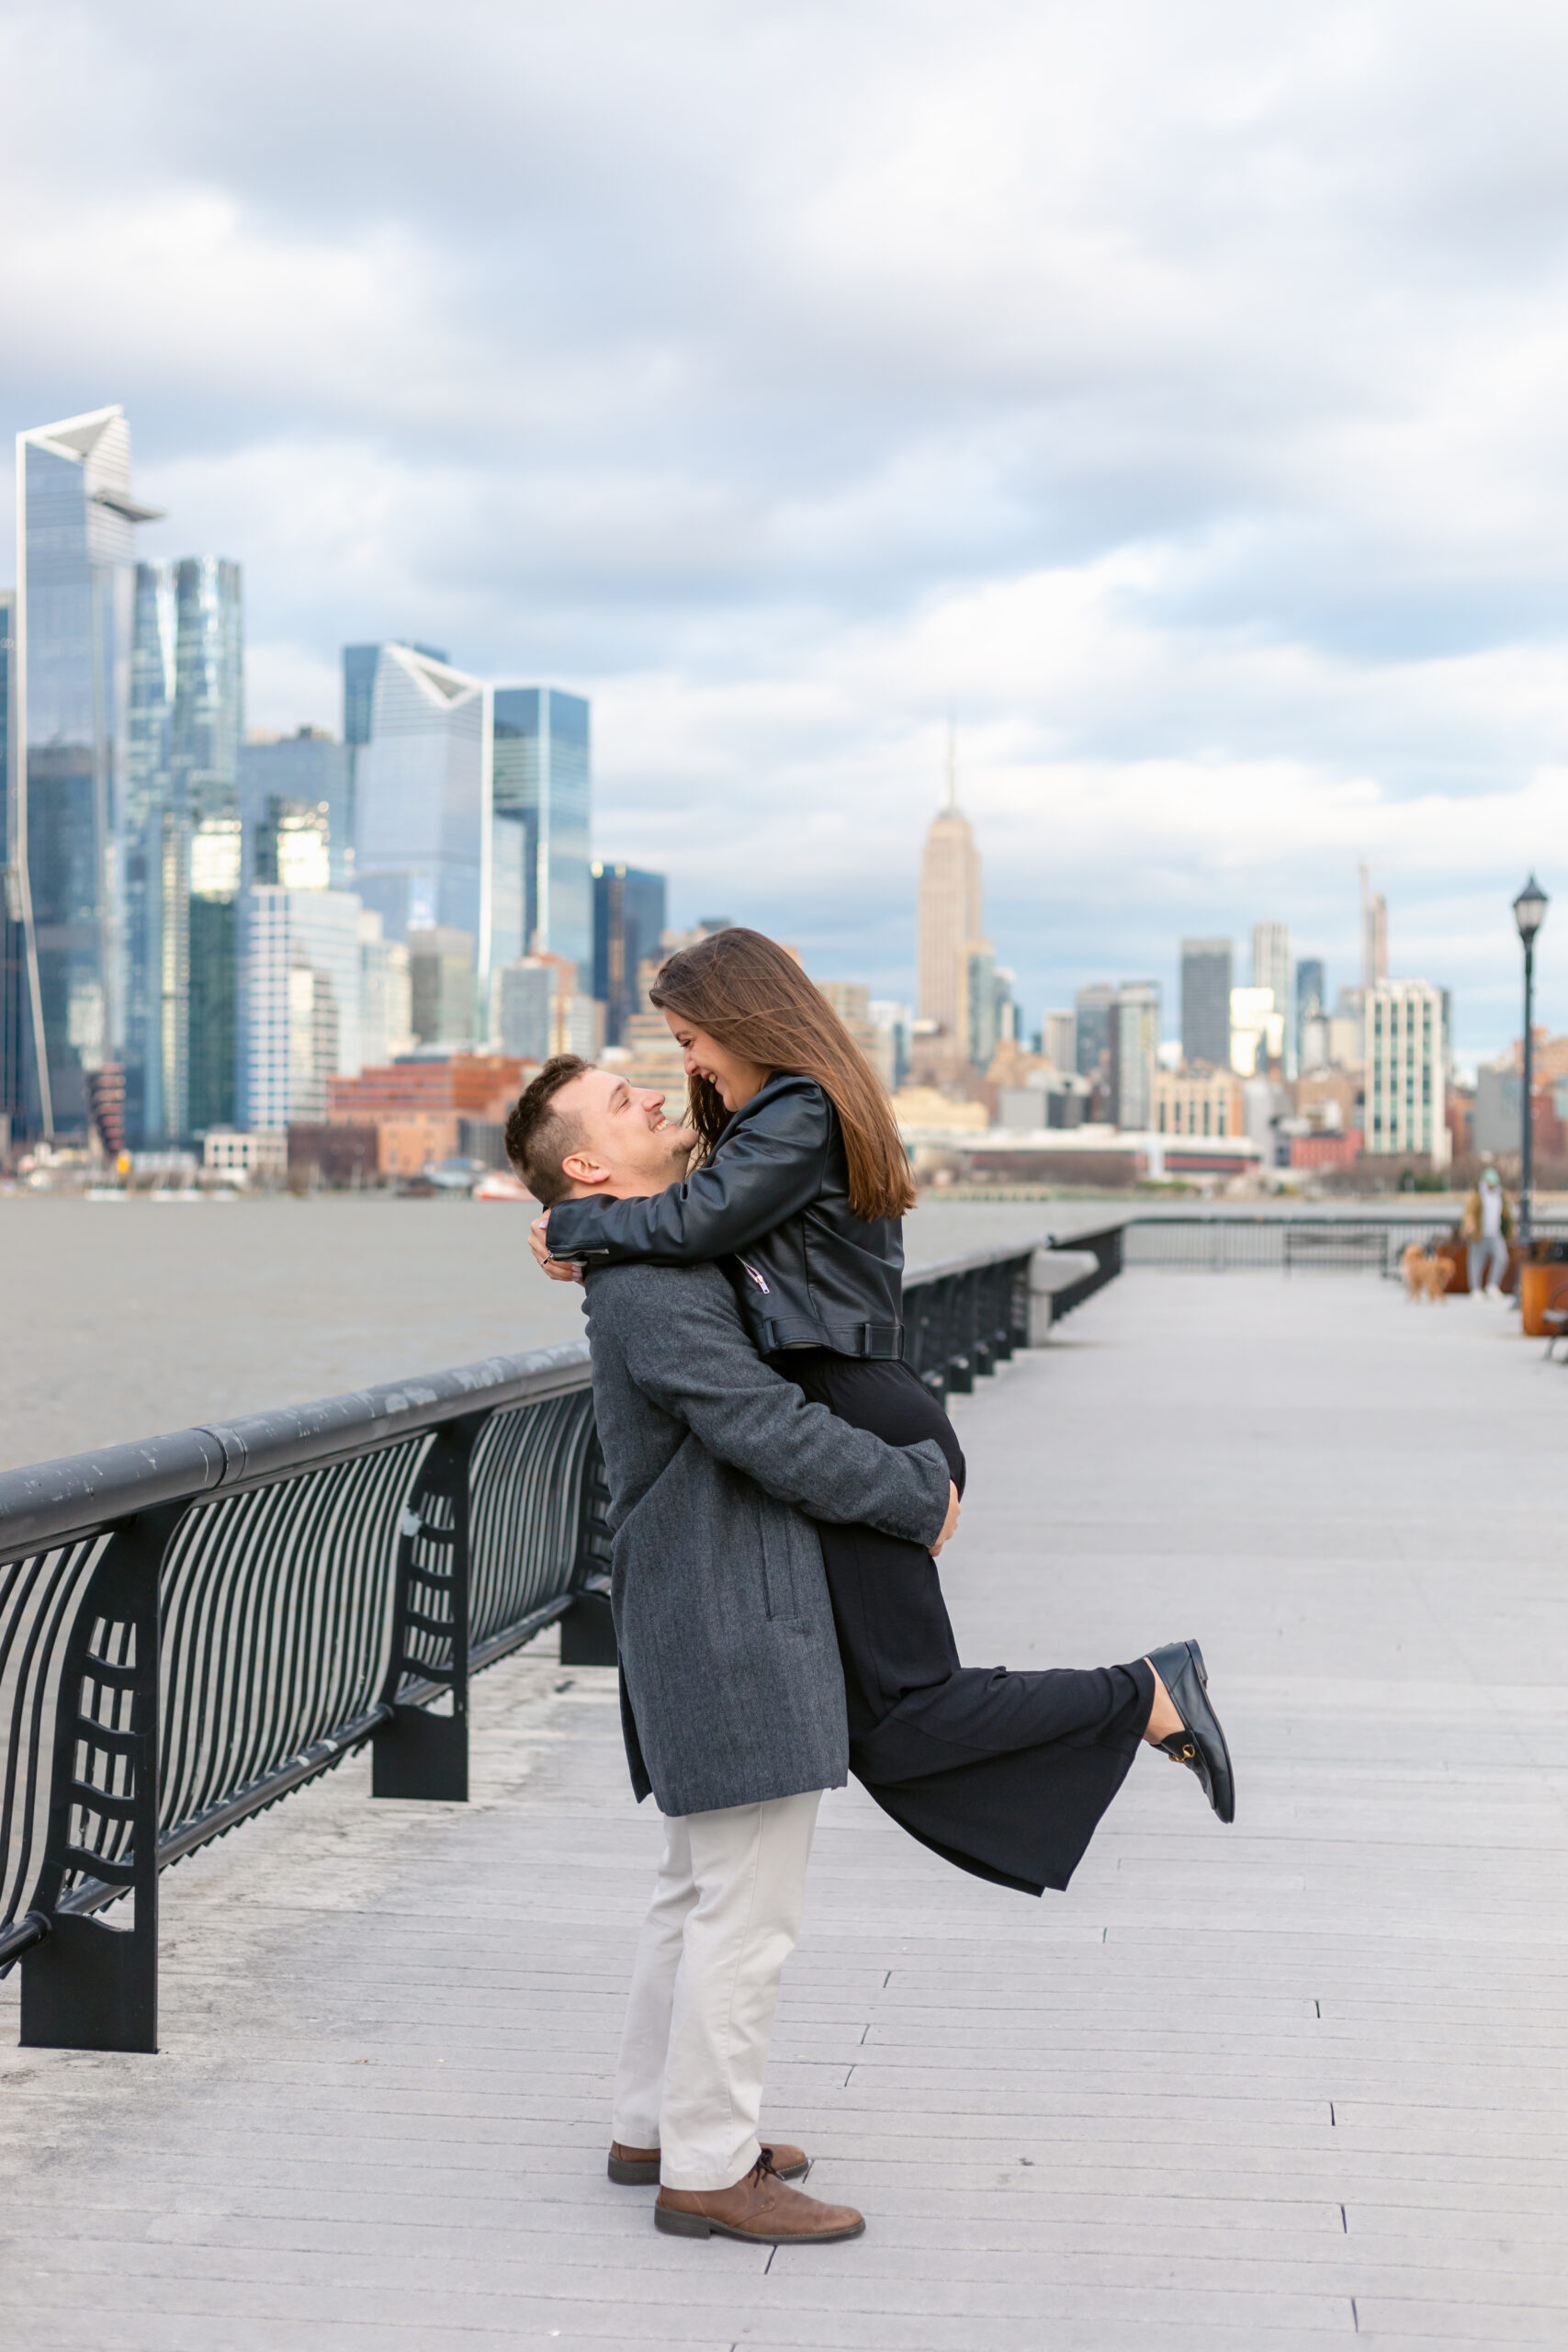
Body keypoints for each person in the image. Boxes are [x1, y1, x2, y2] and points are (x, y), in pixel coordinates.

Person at [530, 923, 1233, 1902]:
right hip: (862, 1406)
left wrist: (575, 1222)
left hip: (863, 1416)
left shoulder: (797, 1110)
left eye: (690, 1040)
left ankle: (1145, 1692)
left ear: (741, 1020)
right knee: (885, 1722)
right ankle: (1139, 1698)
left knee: (905, 1715)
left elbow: (693, 1223)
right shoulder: (769, 1121)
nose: (683, 1064)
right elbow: (701, 1233)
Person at [504, 1056, 960, 2246]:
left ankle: (651, 2122)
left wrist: (563, 1221)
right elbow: (763, 1427)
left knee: (693, 1890)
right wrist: (913, 1493)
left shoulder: (636, 1251)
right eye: (621, 1102)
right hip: (727, 1616)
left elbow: (739, 1193)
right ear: (591, 1163)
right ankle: (708, 2167)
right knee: (745, 1912)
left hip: (698, 1607)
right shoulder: (649, 1287)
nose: (653, 1093)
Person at [1462, 1160, 1515, 1297]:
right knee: (1476, 1262)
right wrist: (1469, 1224)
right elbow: (1469, 1213)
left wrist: (1510, 1229)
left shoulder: (1500, 1196)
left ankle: (1492, 1285)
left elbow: (1506, 1214)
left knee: (1502, 1258)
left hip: (1495, 1234)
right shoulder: (1477, 1196)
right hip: (1479, 1234)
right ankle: (1475, 1289)